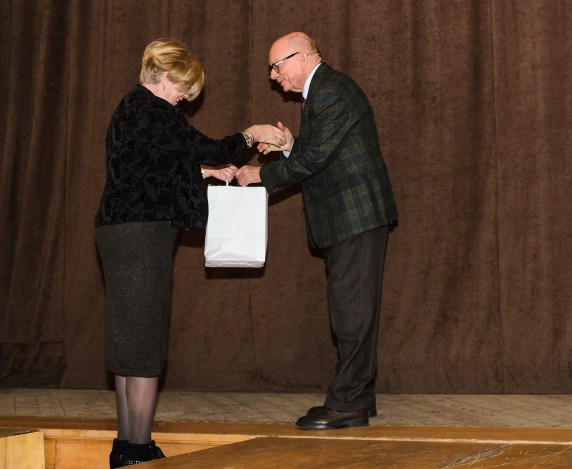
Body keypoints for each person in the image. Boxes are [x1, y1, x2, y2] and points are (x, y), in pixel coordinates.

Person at [95, 39, 285, 468]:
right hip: (141, 235)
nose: (186, 98)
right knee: (144, 342)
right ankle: (138, 451)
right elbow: (213, 148)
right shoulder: (154, 110)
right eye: (185, 88)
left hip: (120, 231)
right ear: (166, 78)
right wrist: (253, 133)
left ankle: (126, 445)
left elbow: (152, 169)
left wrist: (204, 172)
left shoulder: (131, 108)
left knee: (130, 343)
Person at [236, 32, 398, 431]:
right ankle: (356, 396)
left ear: (305, 56)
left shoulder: (328, 91)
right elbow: (318, 153)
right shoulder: (323, 91)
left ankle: (348, 403)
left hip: (355, 216)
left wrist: (261, 176)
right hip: (352, 218)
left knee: (352, 313)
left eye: (277, 66)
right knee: (352, 311)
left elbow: (315, 161)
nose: (273, 76)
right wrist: (290, 145)